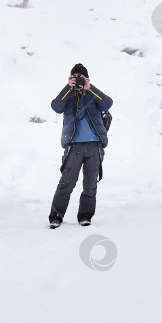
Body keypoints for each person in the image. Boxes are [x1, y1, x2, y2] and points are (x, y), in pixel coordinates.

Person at [48, 63, 113, 229]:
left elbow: (107, 104)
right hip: (74, 147)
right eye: (74, 77)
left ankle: (85, 216)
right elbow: (56, 106)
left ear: (86, 78)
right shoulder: (68, 95)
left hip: (94, 146)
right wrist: (67, 88)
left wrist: (90, 87)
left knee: (90, 184)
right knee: (66, 183)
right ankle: (56, 216)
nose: (77, 80)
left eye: (80, 77)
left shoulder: (92, 94)